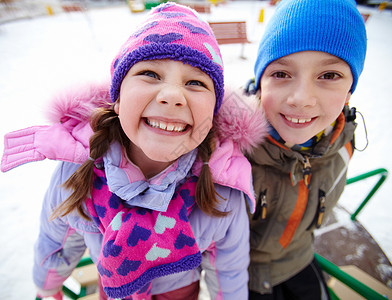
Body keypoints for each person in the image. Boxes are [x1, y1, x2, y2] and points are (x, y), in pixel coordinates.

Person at [1, 3, 268, 299]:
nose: (171, 96)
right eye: (150, 74)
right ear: (117, 99)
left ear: (213, 113)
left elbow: (228, 269)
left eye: (195, 82)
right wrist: (47, 287)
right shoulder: (78, 170)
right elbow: (58, 238)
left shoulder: (222, 187)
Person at [244, 0, 367, 299]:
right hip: (242, 273)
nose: (301, 99)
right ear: (260, 83)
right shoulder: (230, 151)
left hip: (300, 259)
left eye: (328, 76)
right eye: (282, 74)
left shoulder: (341, 143)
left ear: (350, 89)